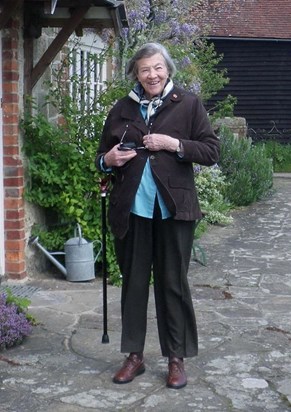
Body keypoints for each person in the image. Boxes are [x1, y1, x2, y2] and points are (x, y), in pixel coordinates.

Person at [96, 42, 219, 389]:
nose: (152, 75)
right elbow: (100, 156)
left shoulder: (189, 105)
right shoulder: (122, 109)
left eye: (158, 68)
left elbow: (211, 150)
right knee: (133, 283)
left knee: (173, 283)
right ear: (135, 73)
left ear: (168, 70)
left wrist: (173, 144)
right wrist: (109, 160)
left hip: (174, 210)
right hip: (132, 209)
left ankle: (176, 358)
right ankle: (134, 356)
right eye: (144, 69)